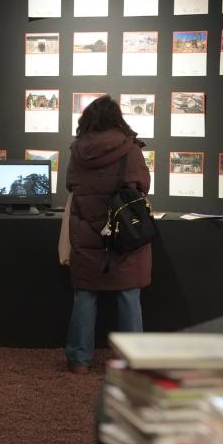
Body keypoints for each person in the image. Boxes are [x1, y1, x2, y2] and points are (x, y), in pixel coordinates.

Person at [62, 95, 151, 374]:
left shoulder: (78, 150)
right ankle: (131, 361)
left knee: (85, 294)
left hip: (86, 231)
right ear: (116, 118)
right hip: (124, 231)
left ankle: (79, 360)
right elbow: (142, 184)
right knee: (128, 294)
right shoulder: (130, 148)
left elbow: (71, 184)